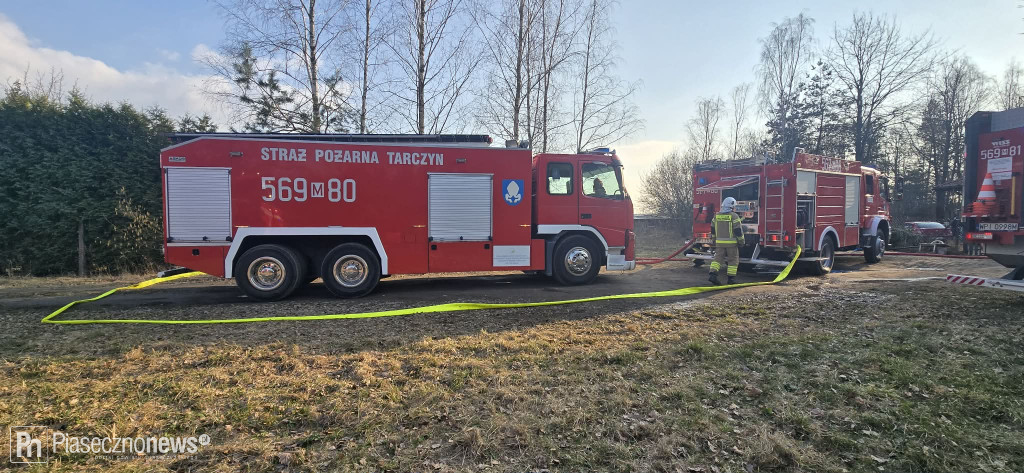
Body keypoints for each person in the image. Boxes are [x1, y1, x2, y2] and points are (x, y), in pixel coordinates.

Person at [709, 197, 743, 285]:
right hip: (732, 244)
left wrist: (713, 239)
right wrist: (741, 241)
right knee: (733, 260)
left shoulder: (716, 216)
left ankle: (712, 275)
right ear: (731, 206)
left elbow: (713, 229)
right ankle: (731, 280)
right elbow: (738, 231)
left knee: (717, 259)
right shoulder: (734, 216)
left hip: (719, 243)